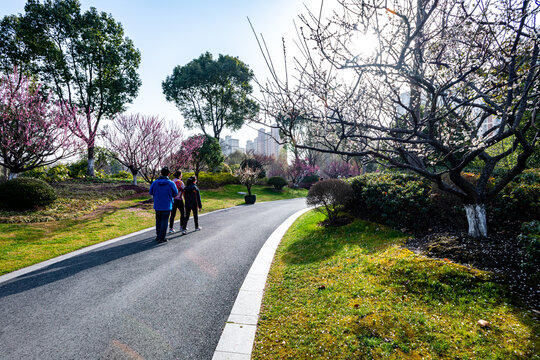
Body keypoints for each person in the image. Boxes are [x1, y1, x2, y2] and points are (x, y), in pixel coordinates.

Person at [149, 167, 178, 243]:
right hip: (167, 205)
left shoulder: (155, 182)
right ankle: (162, 237)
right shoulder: (171, 183)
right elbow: (175, 193)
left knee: (158, 220)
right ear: (168, 174)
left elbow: (150, 192)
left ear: (161, 173)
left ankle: (158, 236)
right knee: (164, 221)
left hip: (158, 204)